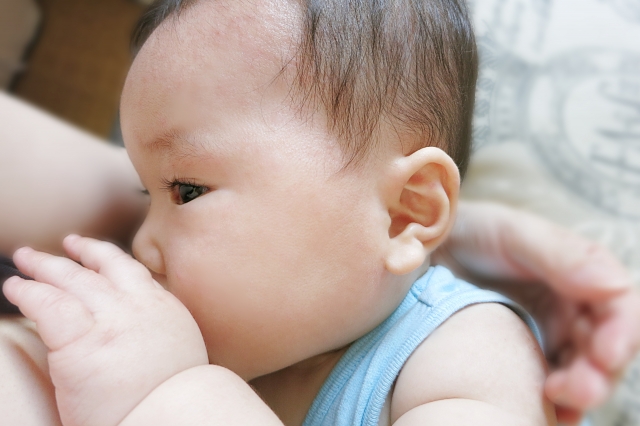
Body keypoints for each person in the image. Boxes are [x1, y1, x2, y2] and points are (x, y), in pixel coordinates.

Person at [0, 0, 638, 425]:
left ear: (404, 213)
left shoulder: (464, 356)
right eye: (147, 194)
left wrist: (167, 397)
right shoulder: (233, 334)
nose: (142, 246)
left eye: (187, 190)